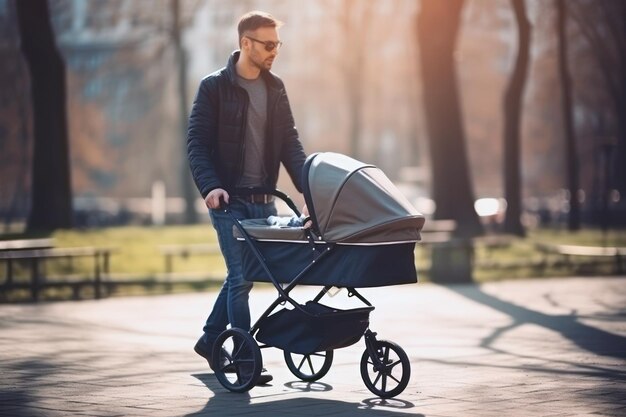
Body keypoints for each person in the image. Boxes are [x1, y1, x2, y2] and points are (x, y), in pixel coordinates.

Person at [187, 11, 307, 386]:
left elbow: (290, 143)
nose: (274, 52)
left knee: (246, 275)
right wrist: (210, 188)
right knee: (240, 279)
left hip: (264, 202)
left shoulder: (276, 88)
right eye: (268, 45)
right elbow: (196, 144)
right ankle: (244, 360)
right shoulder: (214, 88)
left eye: (278, 45)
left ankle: (211, 340)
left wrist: (313, 188)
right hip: (228, 201)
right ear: (246, 44)